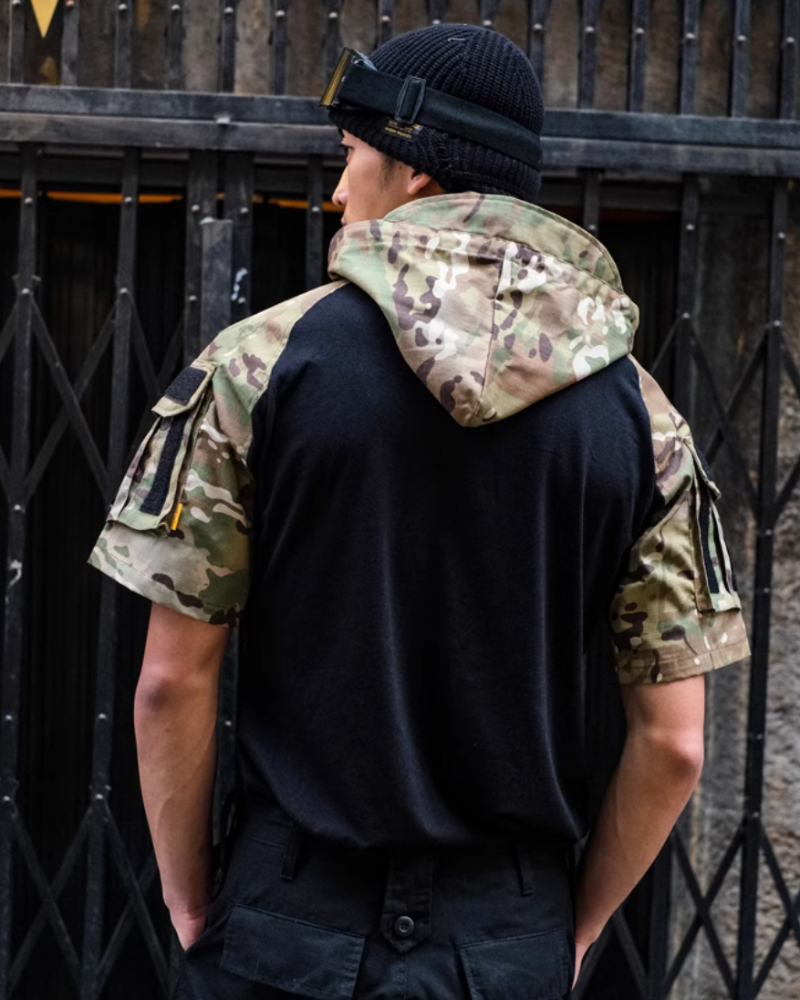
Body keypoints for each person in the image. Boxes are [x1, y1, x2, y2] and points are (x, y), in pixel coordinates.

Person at [89, 23, 749, 1000]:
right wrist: (567, 931)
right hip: (504, 935)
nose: (337, 190)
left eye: (350, 155)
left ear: (413, 169)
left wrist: (192, 904)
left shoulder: (259, 364)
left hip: (287, 923)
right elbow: (674, 741)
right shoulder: (640, 417)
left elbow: (171, 682)